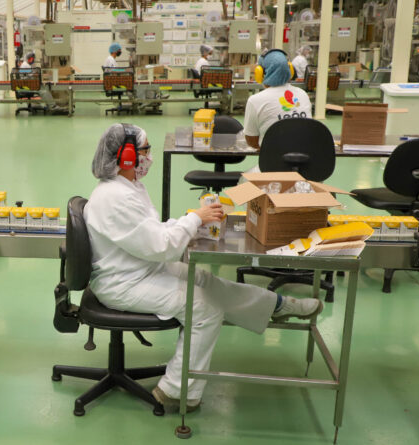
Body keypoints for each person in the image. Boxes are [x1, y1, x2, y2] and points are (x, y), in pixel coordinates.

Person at [84, 123, 323, 411]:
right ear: (126, 156)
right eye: (145, 150)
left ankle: (277, 305)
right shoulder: (115, 198)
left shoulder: (128, 188)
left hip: (139, 269)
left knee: (206, 282)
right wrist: (194, 219)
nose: (149, 157)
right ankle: (175, 392)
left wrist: (192, 224)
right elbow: (161, 246)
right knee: (204, 308)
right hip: (123, 283)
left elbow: (150, 231)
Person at [244, 49, 312, 149]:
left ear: (260, 73)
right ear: (289, 70)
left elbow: (252, 141)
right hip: (305, 157)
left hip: (273, 158)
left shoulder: (255, 100)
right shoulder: (303, 94)